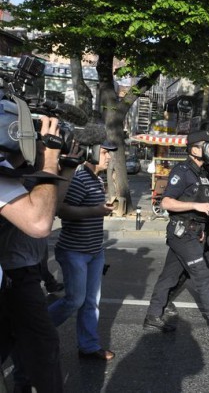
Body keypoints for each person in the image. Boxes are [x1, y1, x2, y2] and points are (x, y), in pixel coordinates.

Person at [0, 115, 64, 392]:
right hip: (15, 276)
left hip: (17, 278)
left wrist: (61, 165)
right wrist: (48, 159)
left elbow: (50, 209)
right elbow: (39, 223)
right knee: (41, 347)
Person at [143, 130, 209, 338]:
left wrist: (203, 229)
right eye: (208, 145)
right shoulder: (183, 171)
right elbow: (166, 202)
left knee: (170, 275)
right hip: (181, 232)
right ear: (195, 149)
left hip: (195, 232)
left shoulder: (205, 172)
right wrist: (196, 206)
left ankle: (153, 316)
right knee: (203, 276)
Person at [48, 138, 118, 361]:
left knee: (91, 302)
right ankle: (36, 331)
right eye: (106, 153)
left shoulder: (96, 180)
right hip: (74, 252)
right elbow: (62, 211)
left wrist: (100, 209)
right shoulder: (79, 178)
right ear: (94, 152)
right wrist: (96, 211)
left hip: (94, 252)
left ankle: (88, 346)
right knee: (74, 300)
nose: (109, 157)